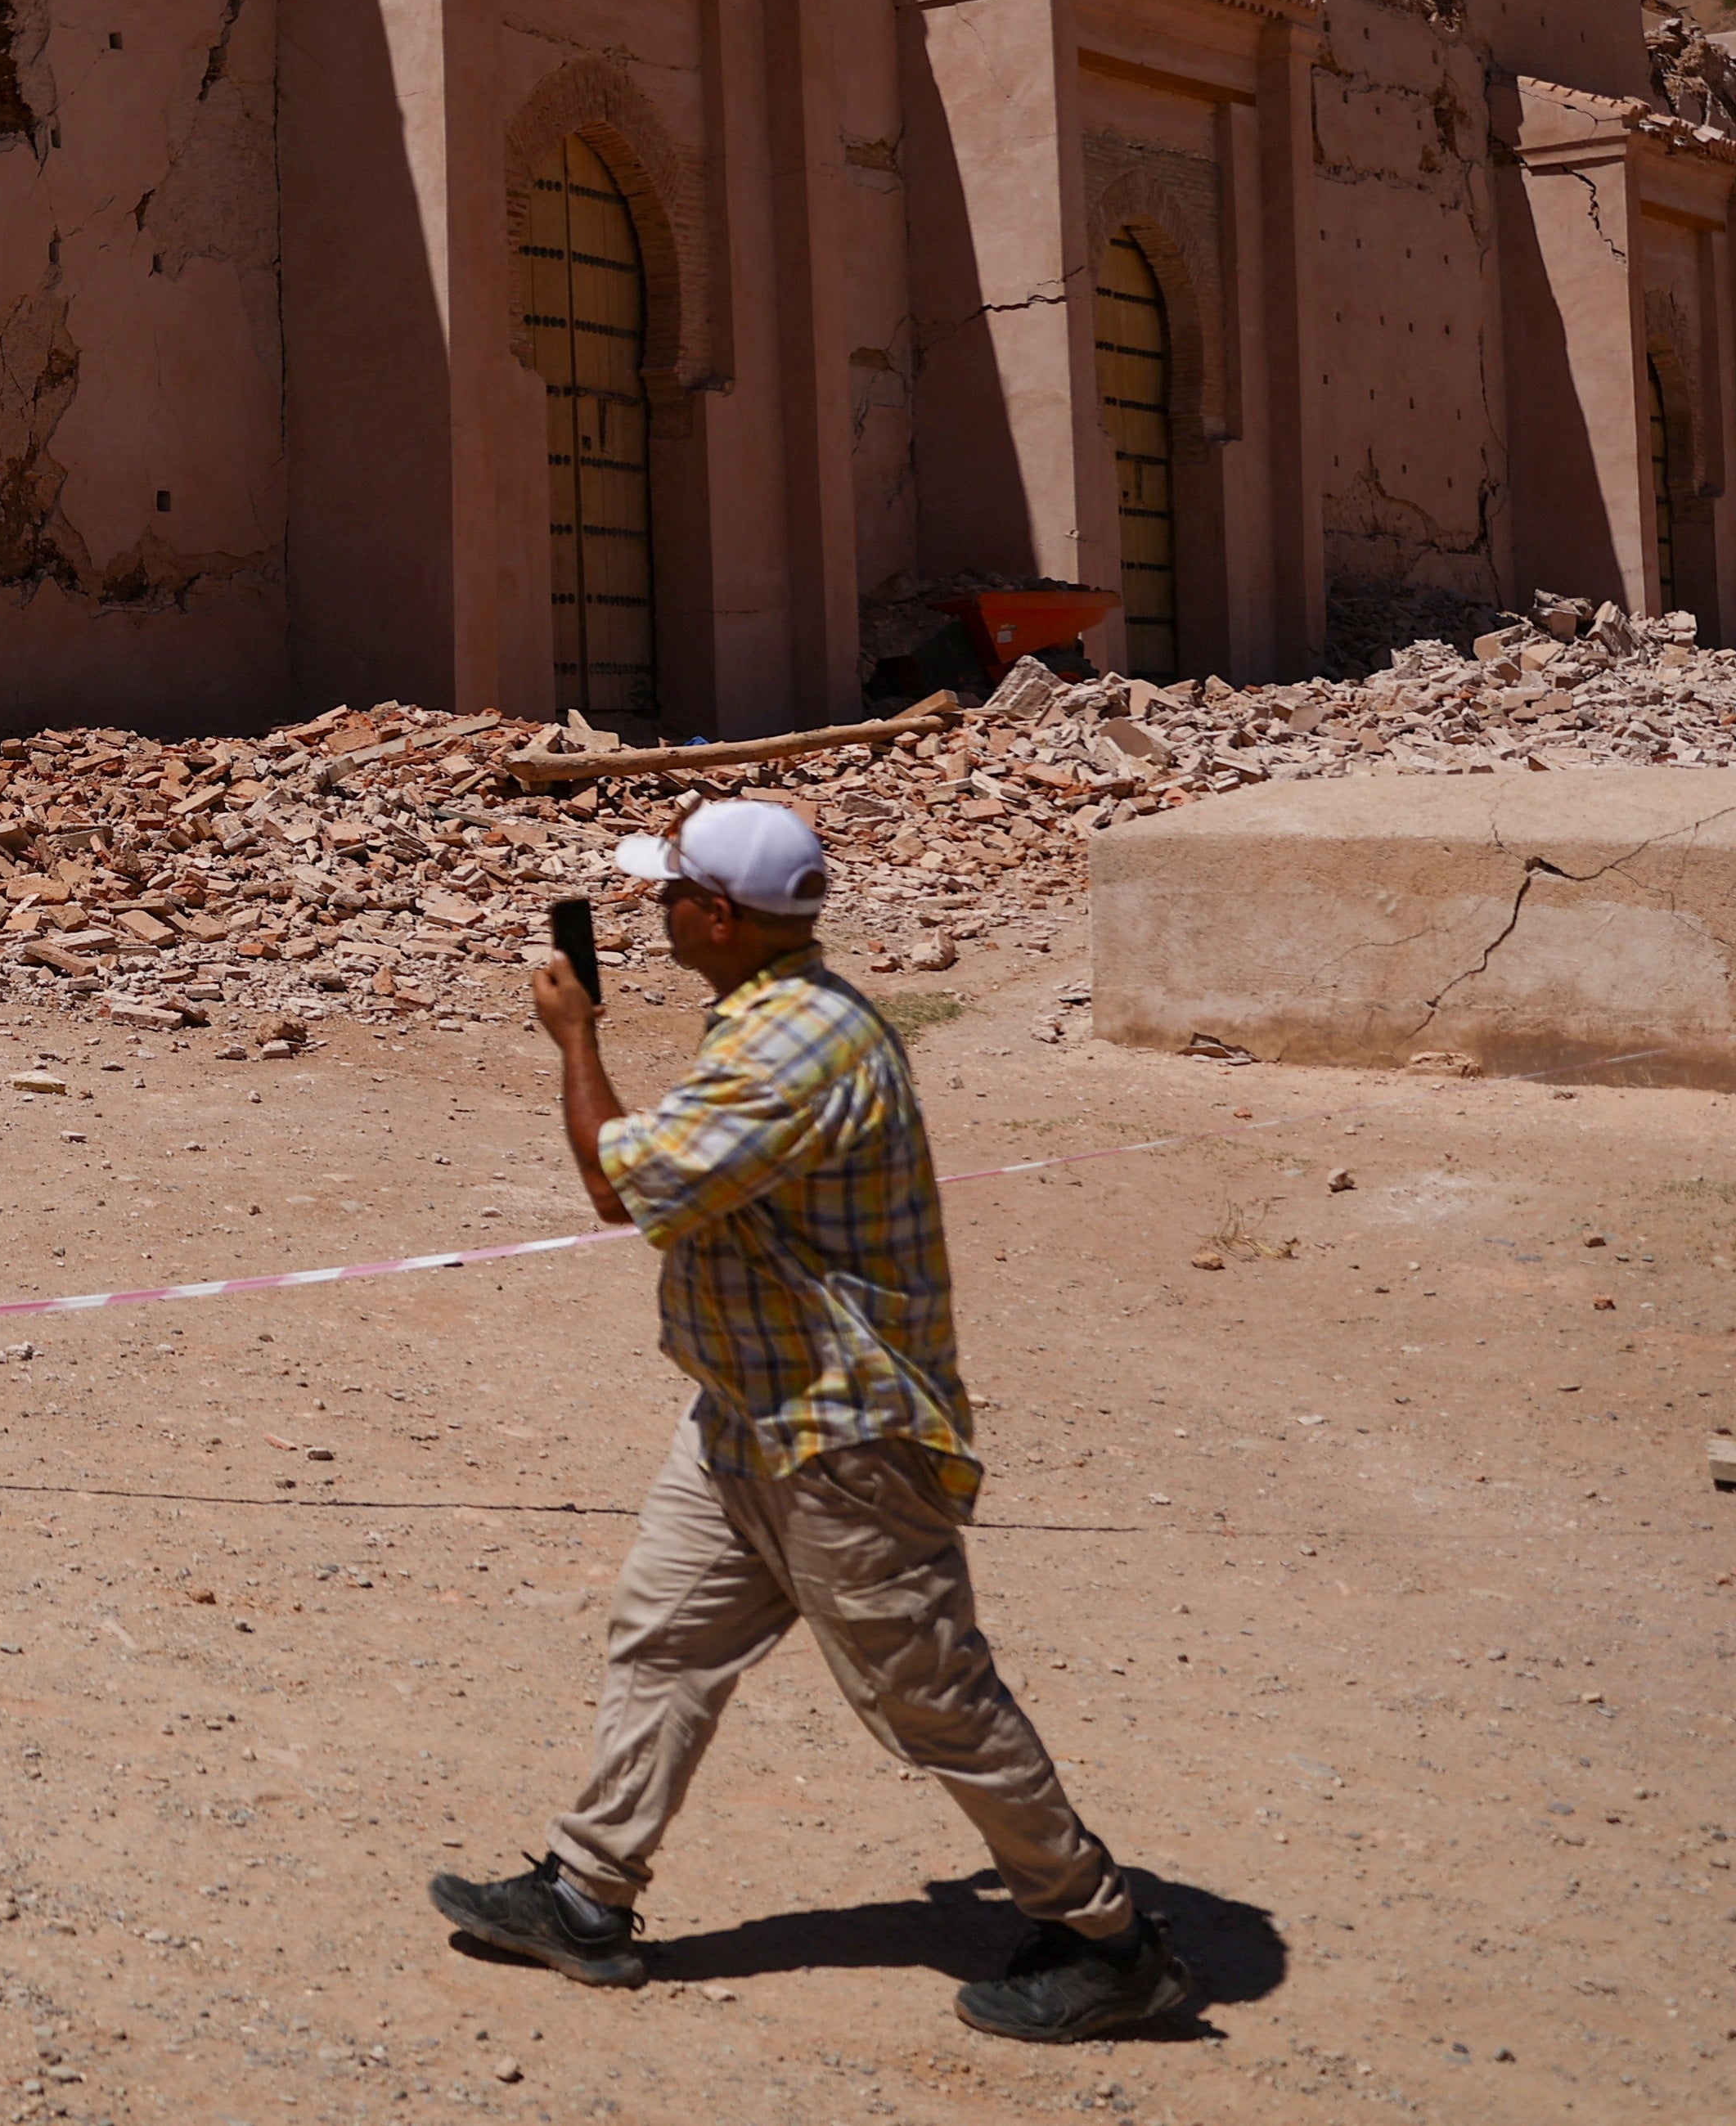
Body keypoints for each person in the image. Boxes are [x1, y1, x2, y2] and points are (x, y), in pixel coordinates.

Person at [423, 795, 1192, 2045]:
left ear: (718, 916)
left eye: (668, 893)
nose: (654, 909)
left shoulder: (786, 1048)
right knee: (664, 1642)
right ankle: (582, 1894)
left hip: (838, 1435)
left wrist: (571, 1036)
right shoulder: (779, 1010)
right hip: (748, 1410)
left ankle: (1106, 1938)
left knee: (932, 1698)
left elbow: (619, 1182)